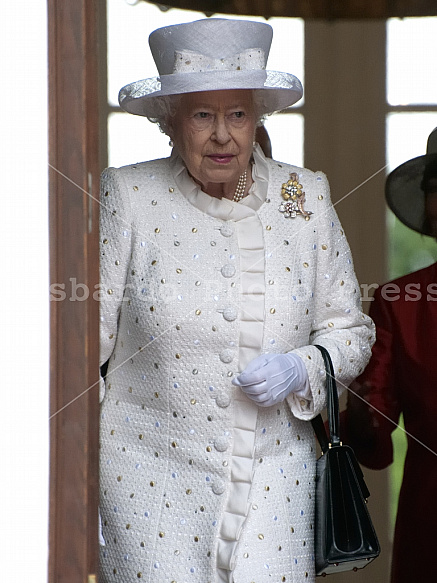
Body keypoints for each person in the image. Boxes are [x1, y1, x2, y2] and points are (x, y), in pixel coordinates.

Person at [99, 18, 374, 583]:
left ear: (257, 120)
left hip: (279, 480)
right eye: (202, 115)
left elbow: (351, 330)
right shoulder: (129, 194)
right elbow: (81, 343)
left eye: (238, 114)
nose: (222, 135)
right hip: (147, 476)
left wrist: (301, 367)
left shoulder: (306, 195)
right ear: (170, 124)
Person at [343, 128, 437, 583]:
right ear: (429, 208)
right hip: (431, 522)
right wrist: (358, 410)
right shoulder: (400, 301)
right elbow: (375, 444)